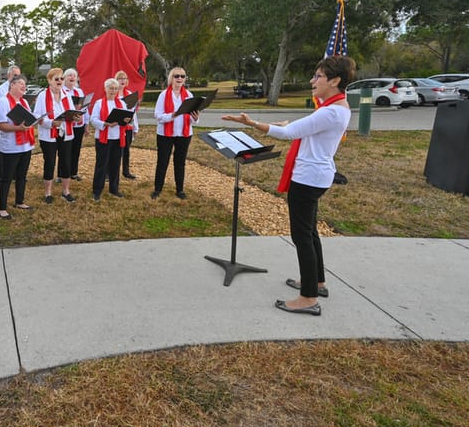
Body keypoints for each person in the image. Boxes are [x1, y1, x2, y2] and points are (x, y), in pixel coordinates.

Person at [221, 55, 356, 317]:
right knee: (311, 233)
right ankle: (317, 283)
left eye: (318, 76)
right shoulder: (336, 108)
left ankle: (308, 298)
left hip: (308, 178)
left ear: (335, 80)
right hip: (317, 176)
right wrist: (283, 125)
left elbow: (288, 133)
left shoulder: (330, 111)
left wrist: (251, 123)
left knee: (302, 236)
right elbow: (299, 128)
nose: (312, 80)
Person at [152, 67, 200, 200]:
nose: (180, 79)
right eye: (176, 76)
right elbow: (157, 115)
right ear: (171, 78)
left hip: (184, 134)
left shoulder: (189, 95)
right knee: (162, 162)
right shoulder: (163, 95)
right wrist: (172, 115)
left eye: (182, 76)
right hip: (165, 134)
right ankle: (157, 189)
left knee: (180, 162)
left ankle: (180, 190)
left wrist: (195, 118)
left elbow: (192, 117)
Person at [0, 75, 37, 219]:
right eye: (20, 84)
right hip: (10, 147)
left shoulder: (24, 101)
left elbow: (29, 119)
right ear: (11, 85)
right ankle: (2, 208)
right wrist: (18, 128)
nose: (24, 87)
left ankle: (19, 201)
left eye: (25, 84)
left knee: (22, 176)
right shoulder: (4, 101)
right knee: (6, 178)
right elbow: (0, 125)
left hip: (25, 146)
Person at [33, 67, 79, 203]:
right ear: (49, 81)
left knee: (66, 162)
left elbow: (70, 112)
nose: (60, 81)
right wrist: (51, 123)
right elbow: (37, 117)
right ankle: (48, 193)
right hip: (49, 134)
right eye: (56, 79)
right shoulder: (42, 96)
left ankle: (66, 191)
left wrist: (75, 117)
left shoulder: (67, 95)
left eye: (61, 78)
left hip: (65, 133)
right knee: (50, 162)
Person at [90, 78, 131, 200]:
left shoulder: (122, 104)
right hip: (103, 138)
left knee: (115, 164)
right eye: (111, 88)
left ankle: (114, 189)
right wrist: (106, 124)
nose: (113, 91)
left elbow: (126, 118)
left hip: (118, 138)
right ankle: (97, 190)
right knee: (101, 164)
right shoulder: (99, 103)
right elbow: (93, 120)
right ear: (105, 89)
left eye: (115, 88)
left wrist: (126, 120)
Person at [0, 65, 22, 181]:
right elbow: (1, 106)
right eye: (15, 75)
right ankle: (1, 175)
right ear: (9, 75)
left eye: (18, 75)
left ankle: (15, 174)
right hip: (5, 122)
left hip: (18, 122)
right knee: (3, 151)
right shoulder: (1, 89)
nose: (17, 77)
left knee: (17, 149)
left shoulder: (21, 87)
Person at [63, 68, 88, 181]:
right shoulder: (62, 91)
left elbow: (85, 108)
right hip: (66, 125)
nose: (72, 77)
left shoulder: (80, 92)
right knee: (65, 151)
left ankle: (74, 172)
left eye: (74, 75)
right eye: (69, 75)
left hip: (79, 125)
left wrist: (86, 124)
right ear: (65, 78)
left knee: (76, 149)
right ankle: (62, 174)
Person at [115, 70, 139, 180]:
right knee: (114, 151)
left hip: (128, 126)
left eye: (124, 78)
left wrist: (135, 127)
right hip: (115, 126)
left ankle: (126, 171)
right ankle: (109, 172)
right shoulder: (112, 93)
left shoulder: (130, 94)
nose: (122, 81)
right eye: (120, 78)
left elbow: (133, 112)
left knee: (126, 150)